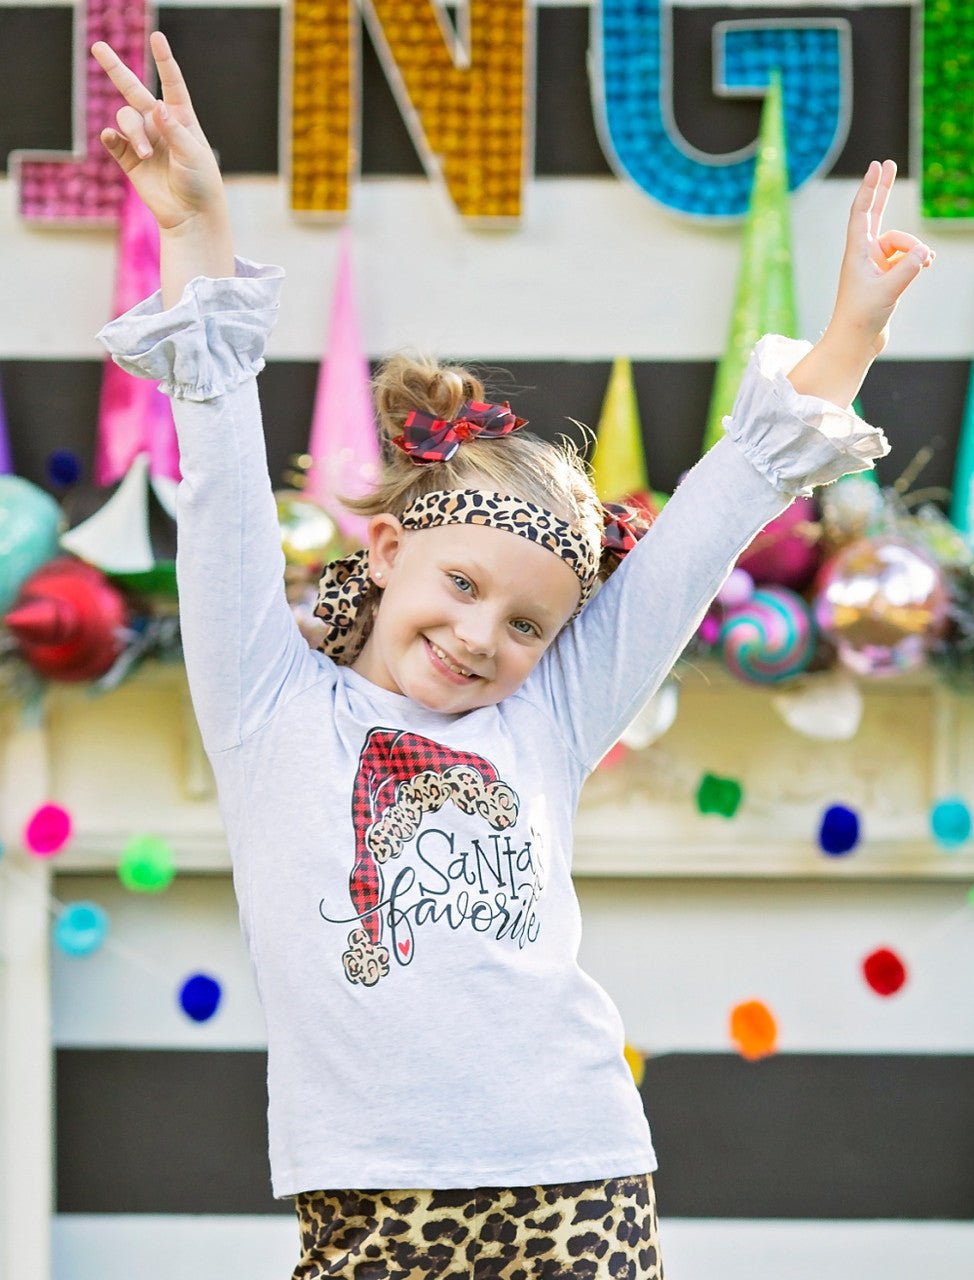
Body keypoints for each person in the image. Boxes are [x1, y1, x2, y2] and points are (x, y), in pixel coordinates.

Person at [91, 30, 933, 1280]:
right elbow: (216, 469)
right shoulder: (268, 703)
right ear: (383, 549)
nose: (483, 637)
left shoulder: (541, 716)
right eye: (463, 587)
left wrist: (850, 336)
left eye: (529, 622)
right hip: (368, 1200)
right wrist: (200, 225)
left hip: (576, 1172)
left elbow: (719, 508)